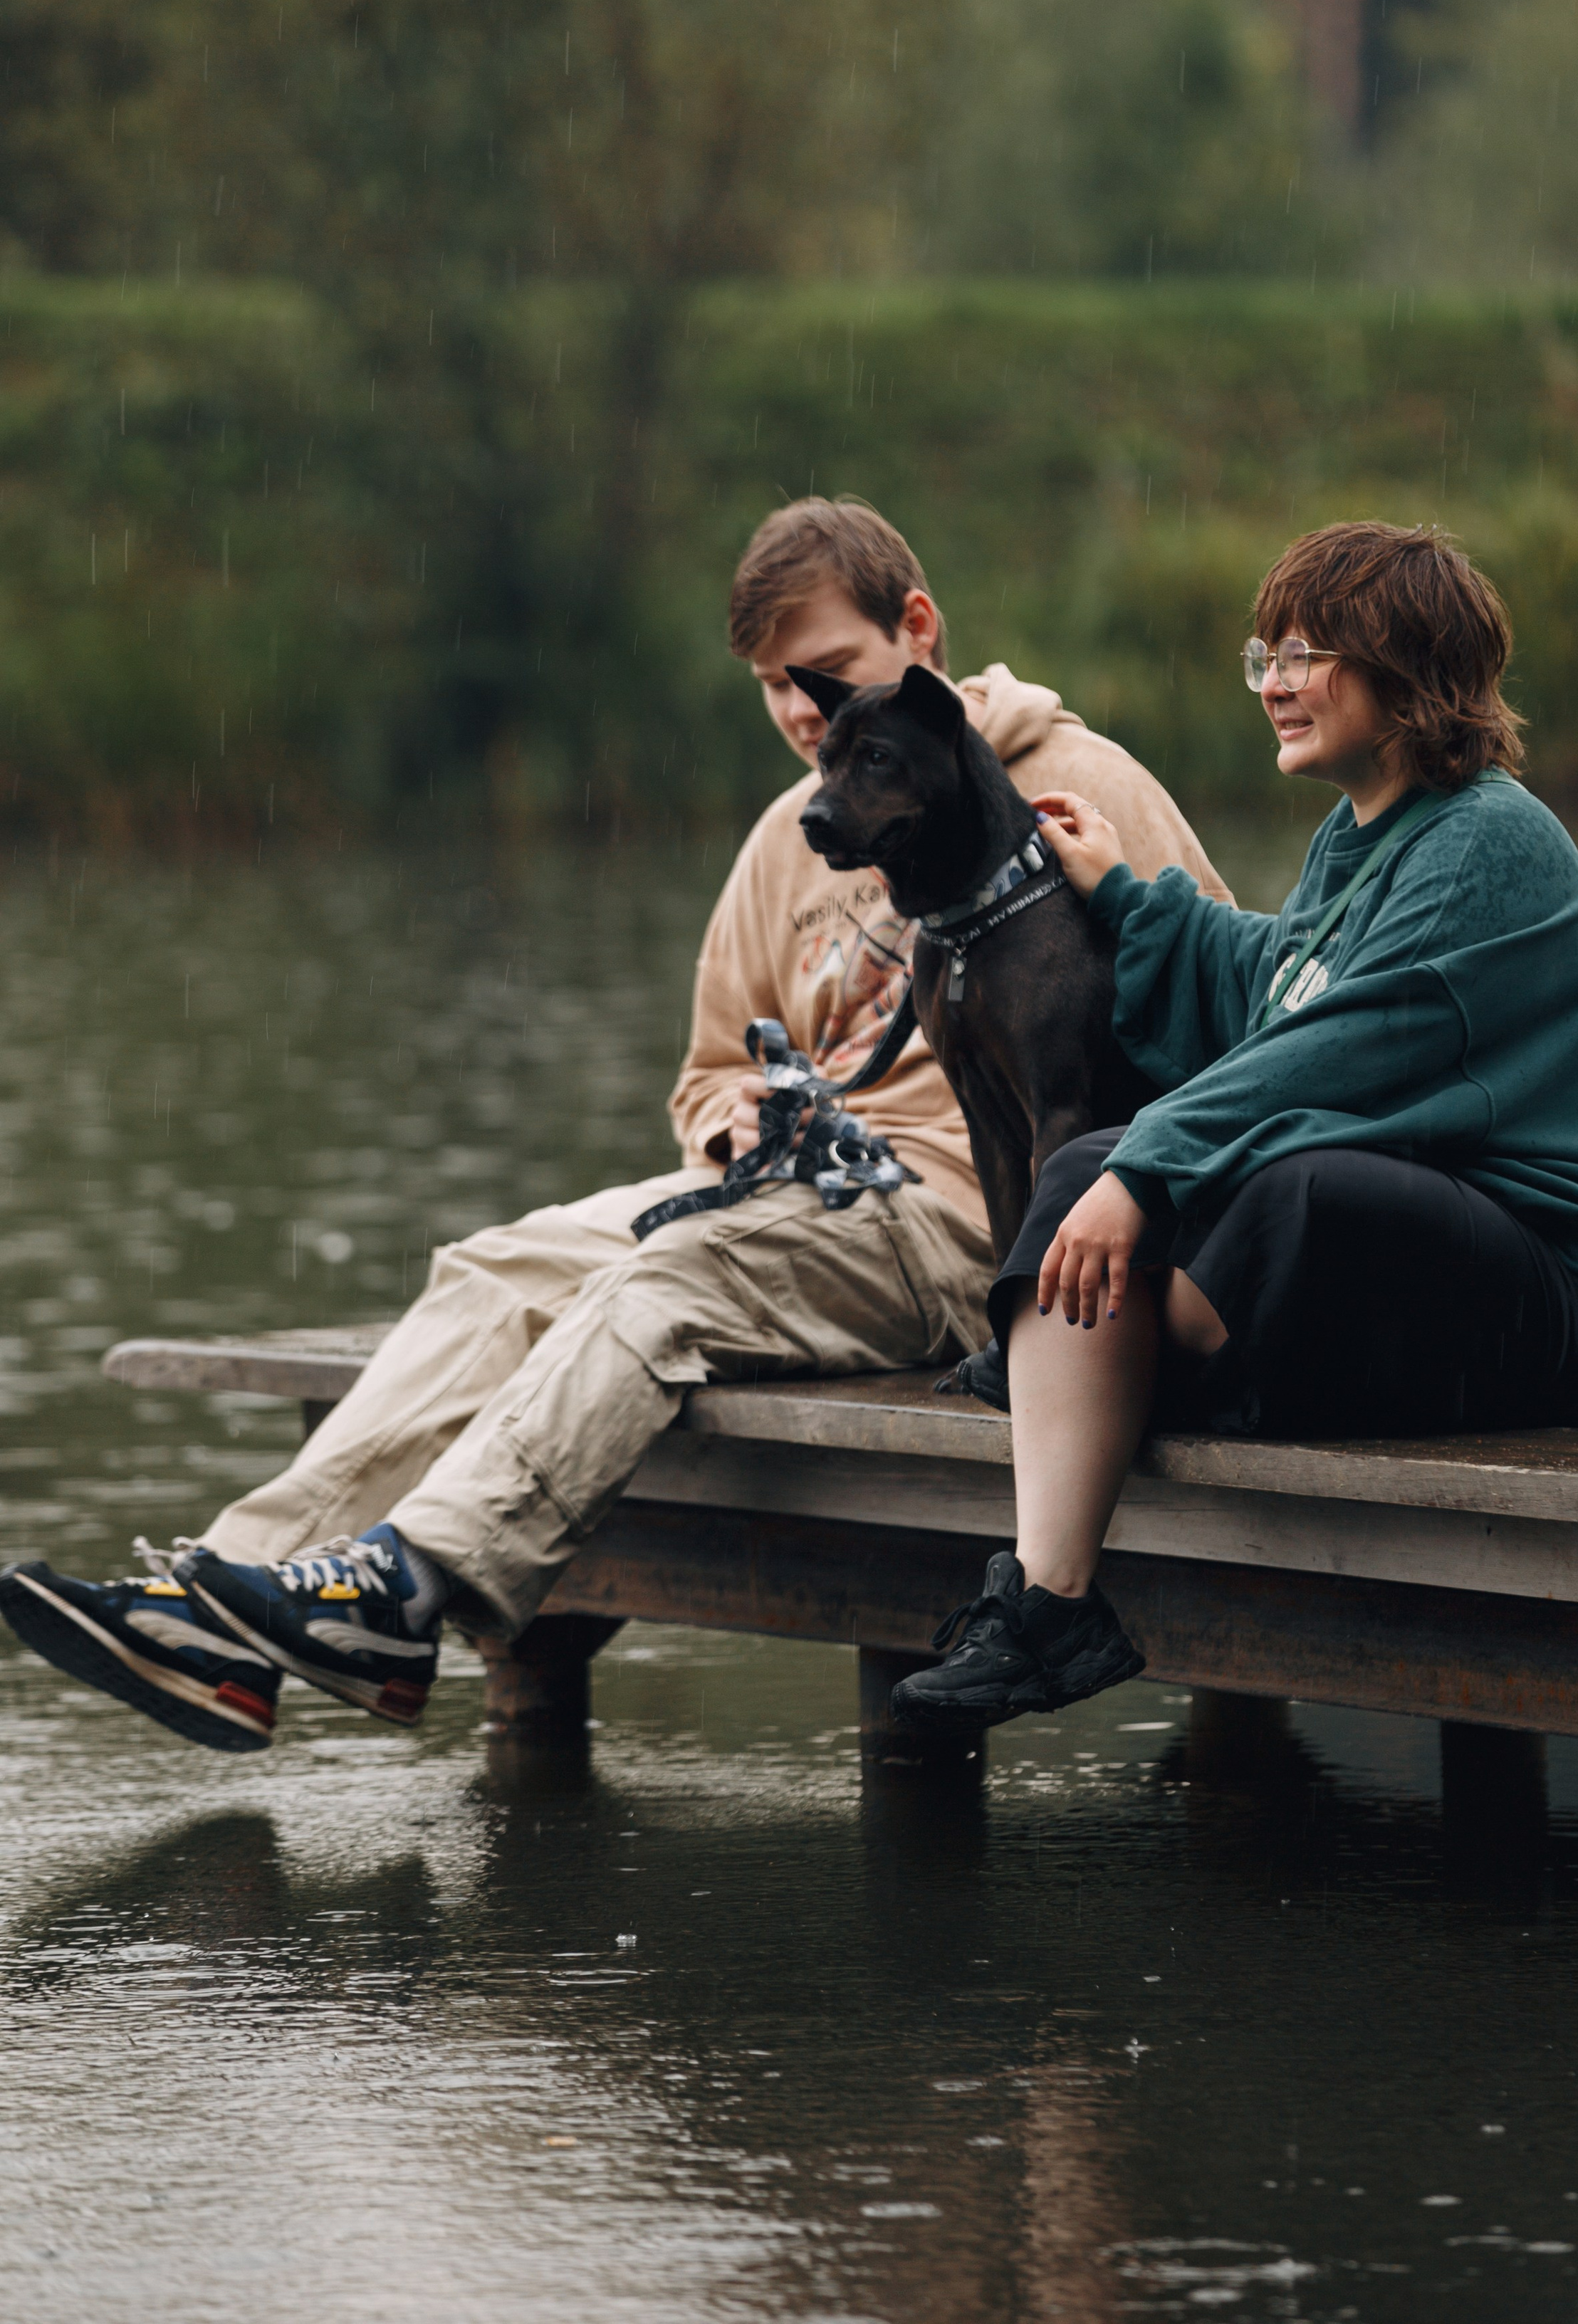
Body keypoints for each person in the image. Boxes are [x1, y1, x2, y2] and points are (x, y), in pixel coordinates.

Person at [0, 497, 1223, 1751]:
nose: (805, 717)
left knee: (670, 1278)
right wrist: (738, 1112)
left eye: (833, 676)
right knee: (498, 1268)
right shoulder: (789, 836)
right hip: (787, 1195)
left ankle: (404, 1587)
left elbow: (1223, 1004)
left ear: (918, 629)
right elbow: (704, 1070)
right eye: (773, 690)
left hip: (968, 1227)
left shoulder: (1084, 780)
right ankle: (230, 1594)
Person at [893, 519, 1578, 1735]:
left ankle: (1105, 1363)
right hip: (1427, 1263)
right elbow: (1287, 984)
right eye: (1264, 651)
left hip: (1577, 1290)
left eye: (1307, 654)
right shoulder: (1361, 833)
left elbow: (1343, 1049)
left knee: (1288, 1192)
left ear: (1410, 671)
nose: (1272, 682)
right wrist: (1132, 900)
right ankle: (1050, 1606)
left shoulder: (1496, 842)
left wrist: (1155, 1171)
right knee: (1083, 1167)